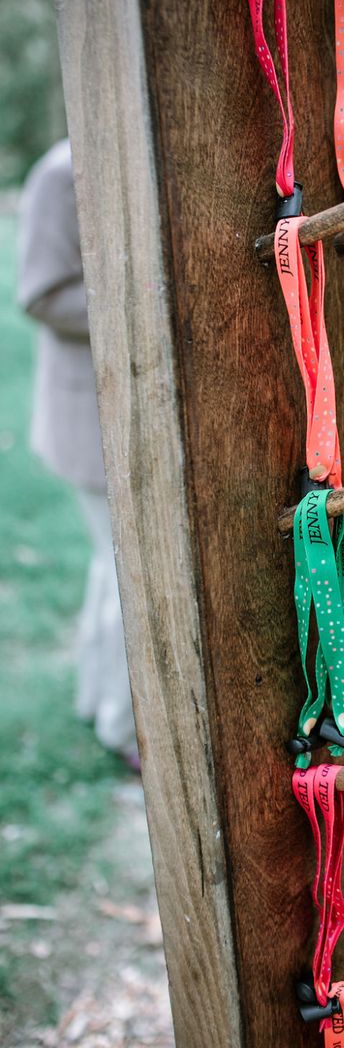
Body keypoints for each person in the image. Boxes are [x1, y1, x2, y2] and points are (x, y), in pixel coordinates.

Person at [17, 138, 138, 768]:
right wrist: (138, 297)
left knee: (108, 571)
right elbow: (39, 294)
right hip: (84, 417)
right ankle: (123, 728)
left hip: (112, 411)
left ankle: (100, 704)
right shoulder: (58, 174)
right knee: (125, 576)